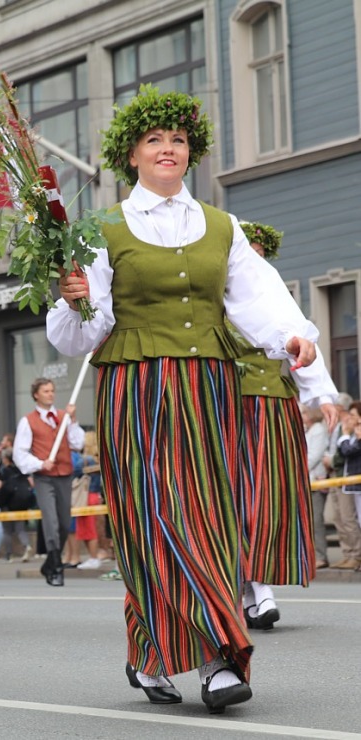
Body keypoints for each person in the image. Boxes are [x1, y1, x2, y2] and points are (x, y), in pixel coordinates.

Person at [47, 84, 326, 712]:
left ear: (189, 153)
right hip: (136, 390)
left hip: (208, 389)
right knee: (161, 518)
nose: (168, 149)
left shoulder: (221, 226)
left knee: (206, 518)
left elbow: (261, 299)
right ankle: (218, 658)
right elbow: (78, 336)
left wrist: (294, 339)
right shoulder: (100, 230)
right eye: (155, 141)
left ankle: (150, 655)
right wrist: (73, 300)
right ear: (133, 156)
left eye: (177, 141)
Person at [233, 222, 337, 631]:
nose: (254, 259)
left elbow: (299, 336)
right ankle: (252, 590)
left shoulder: (272, 293)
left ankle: (259, 588)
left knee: (271, 496)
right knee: (238, 496)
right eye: (248, 251)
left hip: (274, 405)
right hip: (227, 403)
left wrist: (322, 394)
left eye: (260, 252)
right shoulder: (217, 294)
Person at [13, 378, 85, 587]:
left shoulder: (63, 417)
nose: (51, 394)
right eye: (46, 391)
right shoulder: (28, 421)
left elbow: (77, 443)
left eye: (52, 391)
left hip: (64, 474)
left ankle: (49, 563)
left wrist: (73, 419)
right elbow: (20, 453)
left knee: (63, 523)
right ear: (36, 394)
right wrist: (39, 463)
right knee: (51, 521)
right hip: (44, 477)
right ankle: (56, 566)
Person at [324, 394, 361, 569]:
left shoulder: (352, 431)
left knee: (349, 519)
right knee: (340, 518)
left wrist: (332, 461)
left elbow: (346, 451)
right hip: (342, 478)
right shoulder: (341, 427)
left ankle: (355, 554)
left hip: (350, 479)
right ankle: (348, 553)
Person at [0, 447, 35, 562]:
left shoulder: (4, 471)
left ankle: (9, 555)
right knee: (20, 528)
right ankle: (27, 546)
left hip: (7, 503)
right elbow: (31, 483)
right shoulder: (22, 470)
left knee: (7, 530)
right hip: (21, 503)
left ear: (5, 459)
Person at [301, 405, 331, 569]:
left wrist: (297, 468)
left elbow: (313, 456)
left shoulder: (318, 429)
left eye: (305, 412)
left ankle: (320, 555)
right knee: (308, 521)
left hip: (314, 481)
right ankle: (310, 555)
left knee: (316, 521)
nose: (303, 415)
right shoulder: (308, 429)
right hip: (307, 481)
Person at [336, 403, 361, 572]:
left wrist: (344, 436)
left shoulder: (356, 434)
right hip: (352, 483)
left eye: (353, 415)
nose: (349, 419)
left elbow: (348, 450)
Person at [74, 430, 104, 570]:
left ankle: (93, 557)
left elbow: (73, 471)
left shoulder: (85, 460)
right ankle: (94, 557)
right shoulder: (99, 460)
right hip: (95, 495)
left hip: (86, 496)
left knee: (88, 529)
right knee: (92, 528)